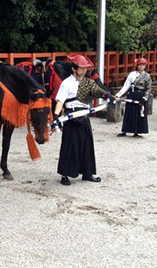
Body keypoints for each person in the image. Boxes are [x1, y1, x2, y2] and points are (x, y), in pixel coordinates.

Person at [53, 54, 114, 186]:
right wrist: (56, 115)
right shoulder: (66, 83)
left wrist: (108, 95)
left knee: (87, 145)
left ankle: (87, 173)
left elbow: (99, 91)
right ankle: (65, 174)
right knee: (70, 146)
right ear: (74, 69)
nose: (85, 70)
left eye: (86, 68)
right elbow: (60, 101)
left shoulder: (87, 82)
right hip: (72, 117)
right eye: (82, 68)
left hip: (84, 117)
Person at [115, 58, 151, 137]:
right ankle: (125, 130)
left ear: (145, 66)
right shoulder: (132, 74)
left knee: (138, 114)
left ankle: (136, 132)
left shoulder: (147, 76)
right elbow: (126, 86)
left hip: (141, 96)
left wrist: (145, 98)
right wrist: (118, 95)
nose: (141, 67)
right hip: (132, 94)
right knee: (128, 113)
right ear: (137, 65)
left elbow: (148, 88)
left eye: (143, 65)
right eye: (139, 65)